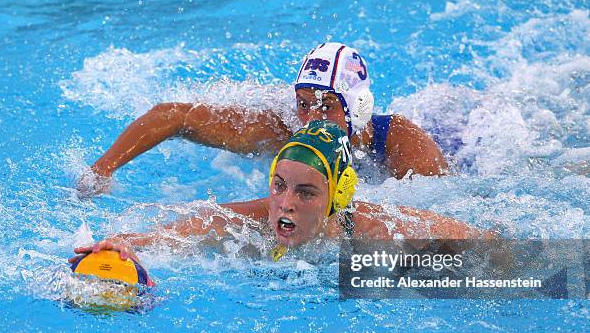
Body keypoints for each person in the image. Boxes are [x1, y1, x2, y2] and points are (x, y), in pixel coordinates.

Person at [70, 121, 488, 265]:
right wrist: (123, 245)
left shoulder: (379, 232)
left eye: (306, 193)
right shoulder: (248, 223)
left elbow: (494, 249)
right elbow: (176, 234)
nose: (285, 203)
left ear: (336, 197)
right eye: (279, 186)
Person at [78, 42, 449, 195]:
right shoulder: (280, 130)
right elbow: (173, 116)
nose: (310, 119)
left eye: (326, 106)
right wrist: (101, 171)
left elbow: (442, 214)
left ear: (358, 109)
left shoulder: (401, 141)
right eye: (304, 103)